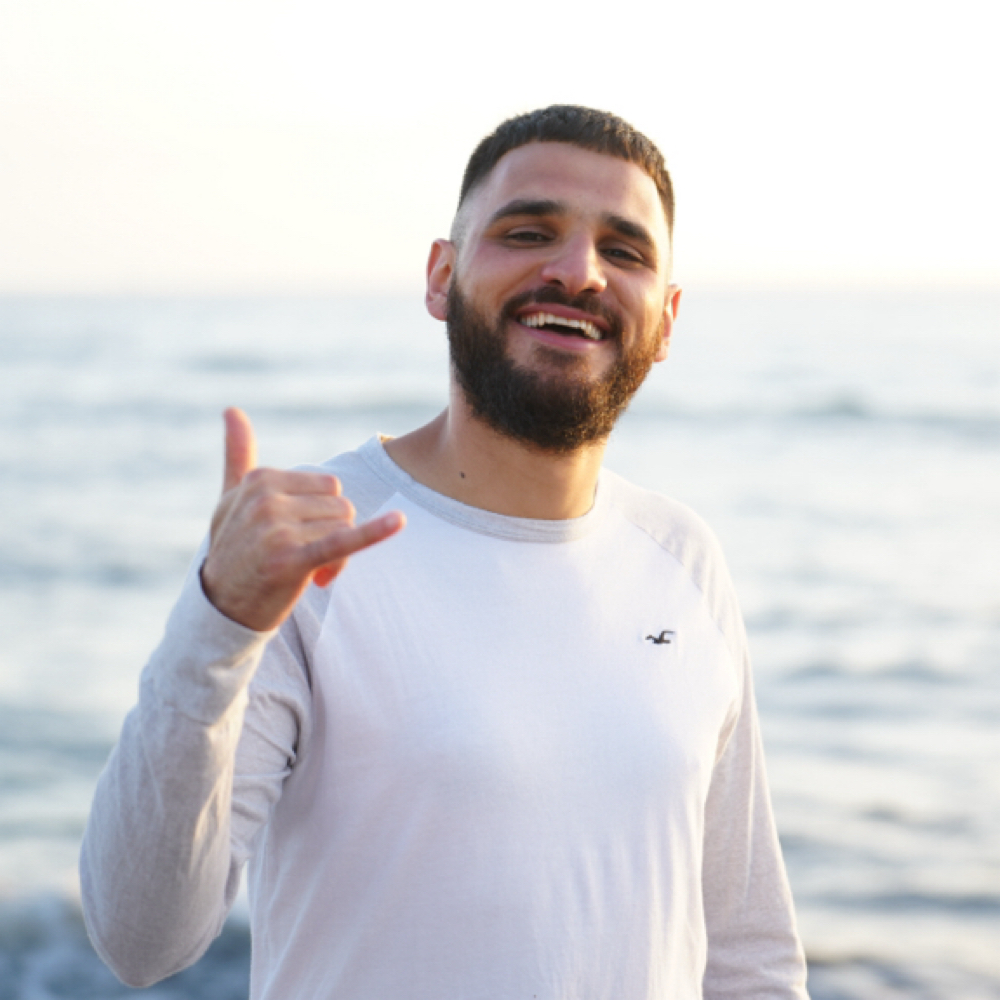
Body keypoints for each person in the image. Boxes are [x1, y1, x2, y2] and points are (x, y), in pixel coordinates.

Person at [80, 105, 809, 999]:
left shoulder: (684, 560)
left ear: (666, 321)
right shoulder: (310, 549)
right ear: (441, 275)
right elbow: (141, 940)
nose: (577, 271)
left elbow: (746, 954)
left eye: (624, 251)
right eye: (528, 231)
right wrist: (217, 621)